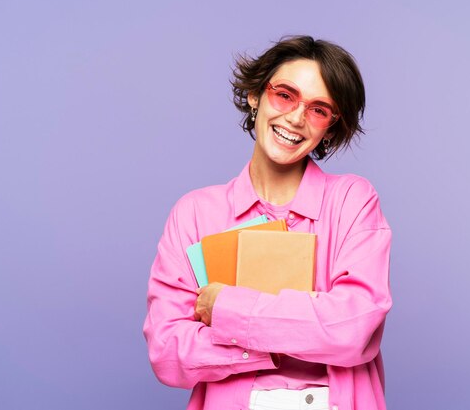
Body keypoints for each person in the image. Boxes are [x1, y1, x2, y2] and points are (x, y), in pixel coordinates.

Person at [143, 35, 392, 410]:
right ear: (256, 95)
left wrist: (227, 310)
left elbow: (353, 328)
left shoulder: (353, 201)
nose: (295, 118)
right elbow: (167, 351)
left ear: (330, 125)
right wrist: (280, 339)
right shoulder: (195, 214)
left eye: (319, 109)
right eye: (285, 95)